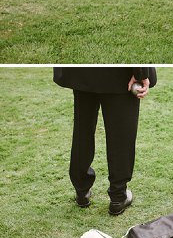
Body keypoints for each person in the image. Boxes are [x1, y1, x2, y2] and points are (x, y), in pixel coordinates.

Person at [54, 67, 157, 215]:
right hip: (119, 75)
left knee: (83, 130)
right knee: (122, 134)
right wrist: (140, 74)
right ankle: (118, 196)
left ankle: (81, 191)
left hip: (84, 75)